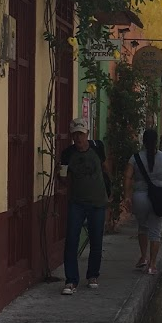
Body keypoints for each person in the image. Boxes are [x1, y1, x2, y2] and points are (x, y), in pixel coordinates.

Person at [59, 118, 110, 295]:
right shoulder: (67, 154)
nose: (78, 138)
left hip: (97, 203)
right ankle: (71, 280)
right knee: (71, 240)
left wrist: (107, 192)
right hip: (77, 203)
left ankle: (93, 275)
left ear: (87, 133)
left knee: (96, 240)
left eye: (81, 134)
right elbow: (63, 177)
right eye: (75, 135)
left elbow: (105, 167)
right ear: (72, 136)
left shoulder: (97, 147)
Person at [122, 128, 162, 275]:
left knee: (142, 228)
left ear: (143, 141)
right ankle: (152, 265)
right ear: (157, 142)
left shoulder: (135, 158)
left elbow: (127, 177)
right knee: (155, 232)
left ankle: (143, 257)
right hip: (158, 199)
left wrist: (127, 196)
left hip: (139, 197)